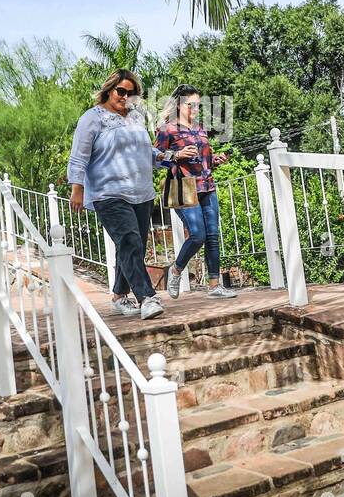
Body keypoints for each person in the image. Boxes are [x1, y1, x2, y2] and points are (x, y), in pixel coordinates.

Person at [68, 69, 166, 320]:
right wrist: (77, 188)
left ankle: (119, 296)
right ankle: (147, 297)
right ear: (109, 90)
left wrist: (167, 158)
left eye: (131, 93)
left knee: (133, 246)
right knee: (130, 241)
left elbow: (146, 151)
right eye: (121, 91)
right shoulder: (93, 118)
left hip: (141, 191)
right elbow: (79, 156)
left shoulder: (136, 118)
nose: (125, 96)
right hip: (108, 192)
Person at [154, 85, 237, 299]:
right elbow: (155, 157)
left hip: (207, 185)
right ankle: (176, 269)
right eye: (191, 105)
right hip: (183, 186)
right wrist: (177, 154)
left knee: (212, 236)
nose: (196, 109)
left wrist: (215, 160)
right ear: (180, 105)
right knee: (198, 234)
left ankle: (214, 286)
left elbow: (204, 160)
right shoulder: (167, 129)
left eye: (198, 105)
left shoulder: (200, 128)